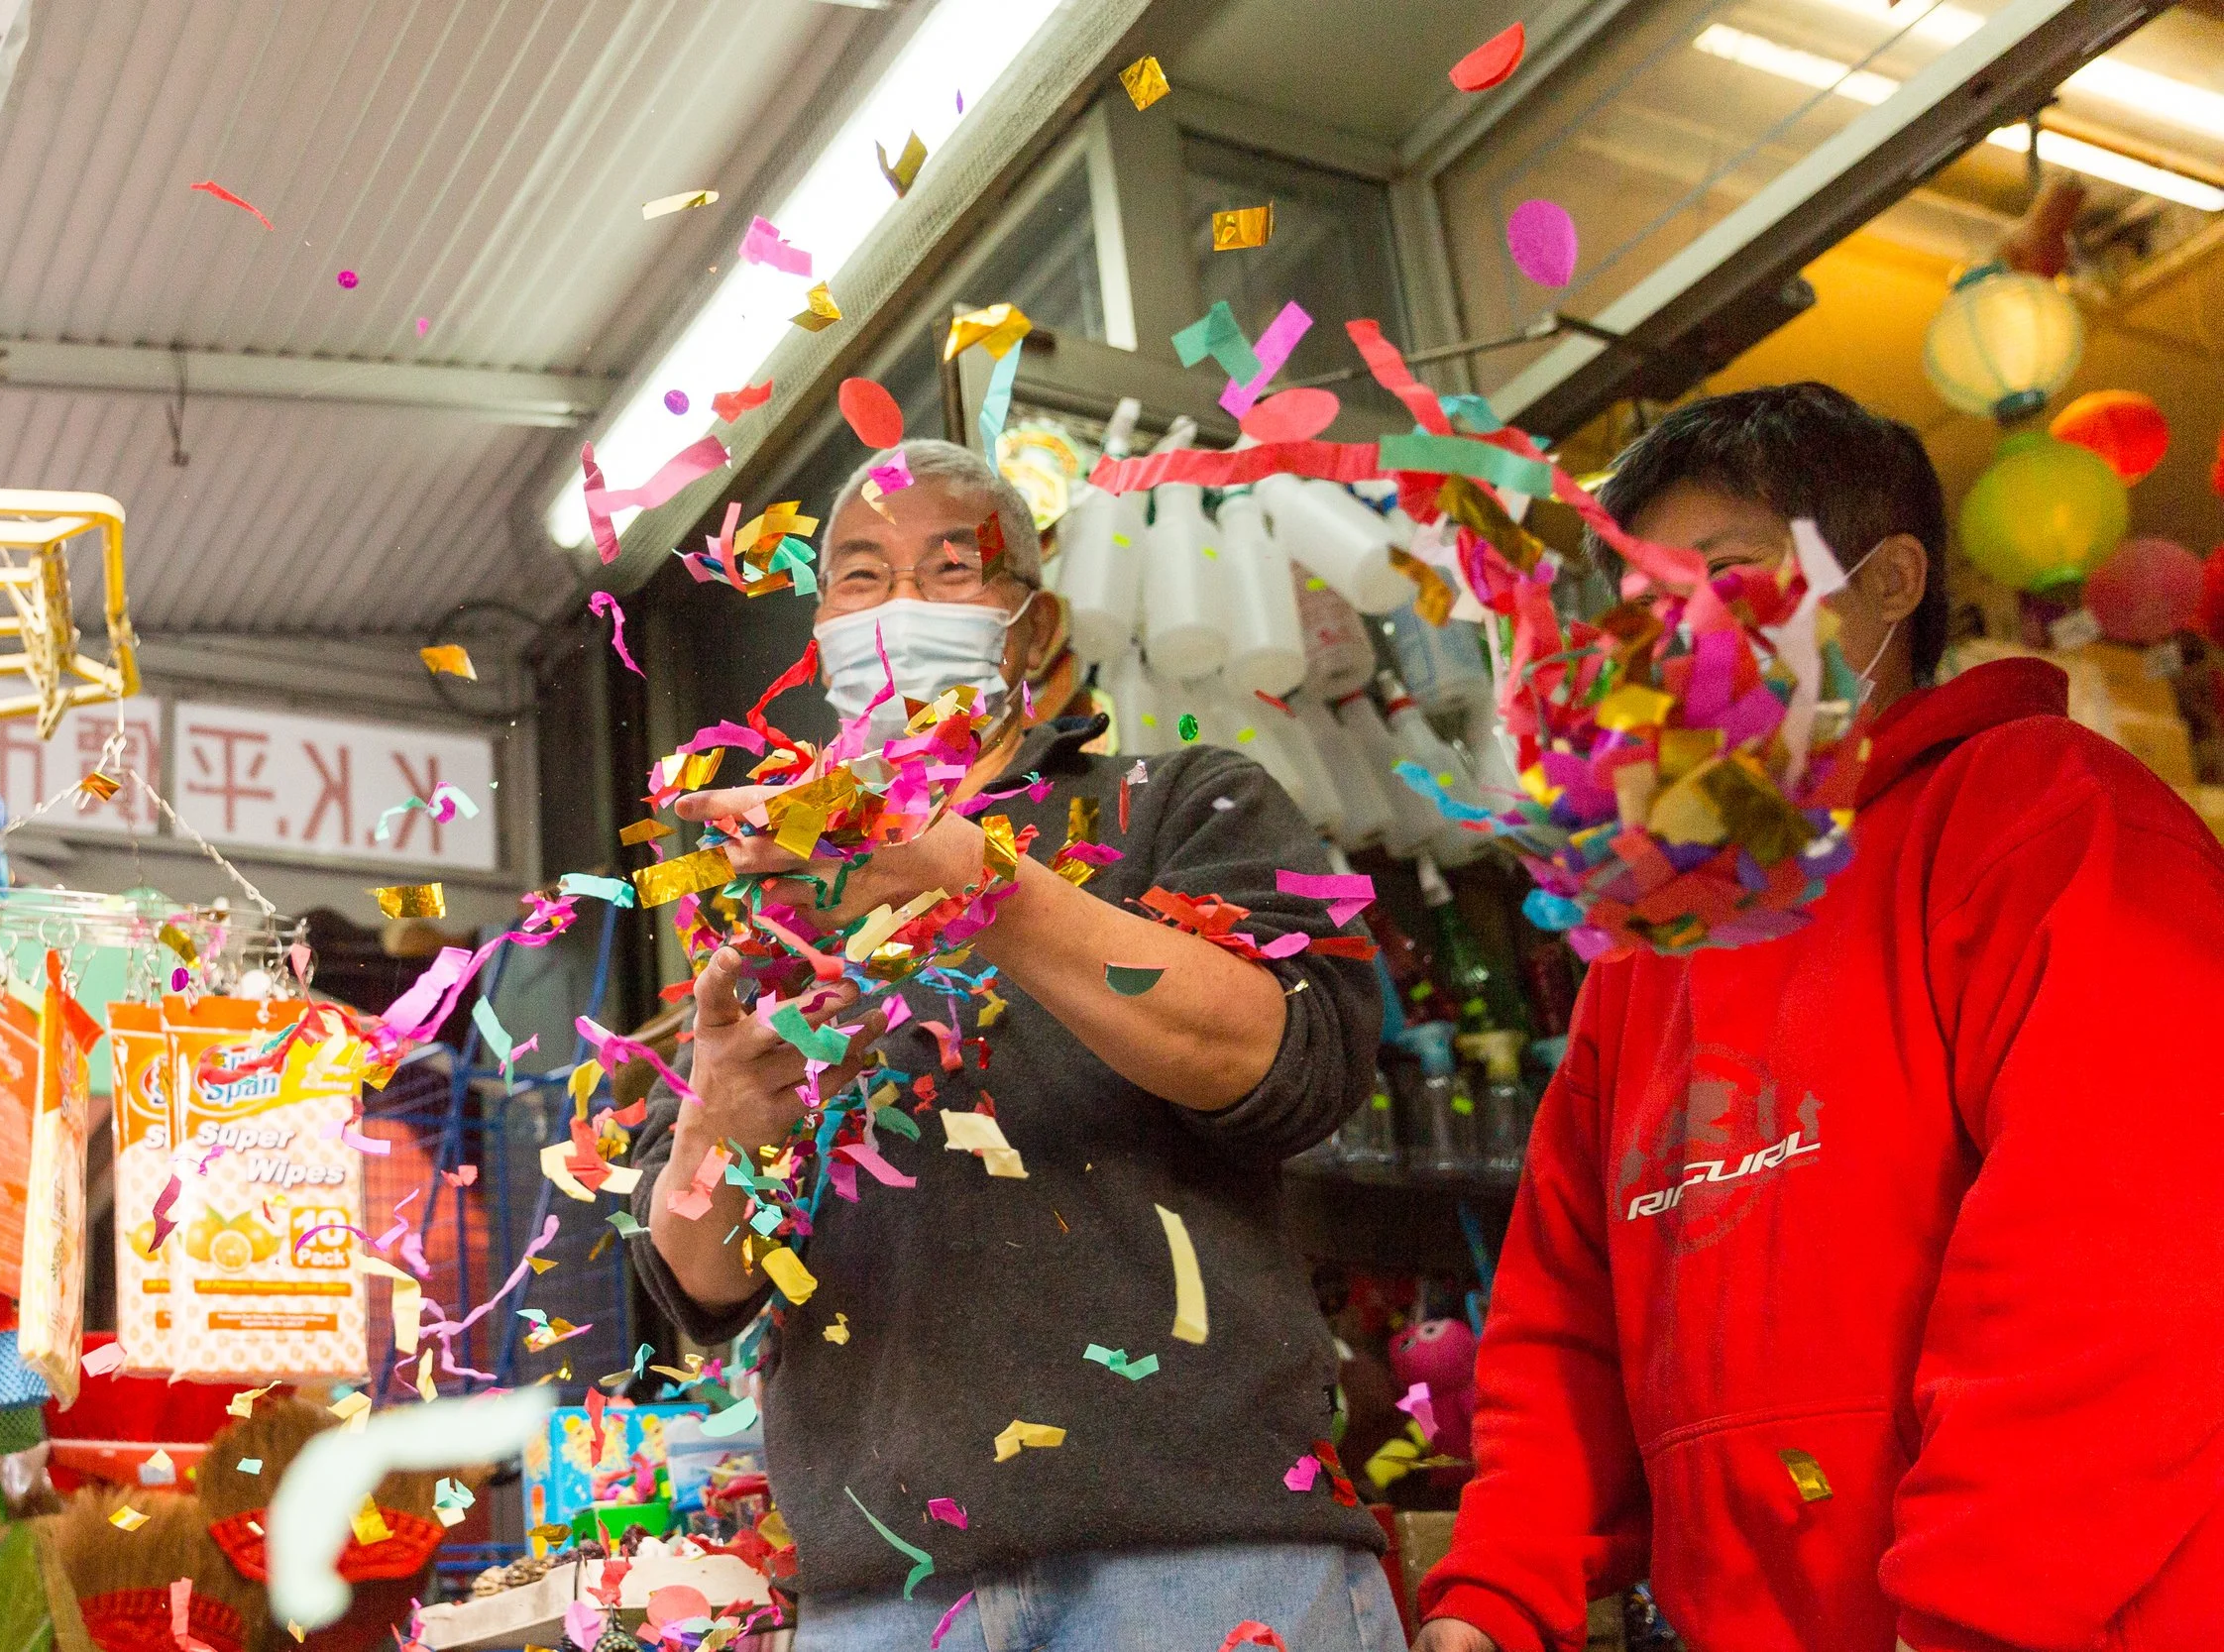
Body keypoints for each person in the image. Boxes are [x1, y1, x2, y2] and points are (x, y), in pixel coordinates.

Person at [1413, 385, 2224, 1652]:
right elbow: (1562, 1314)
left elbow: (2127, 1241)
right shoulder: (1655, 933)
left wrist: (1979, 1610)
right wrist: (1494, 1593)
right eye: (1637, 605)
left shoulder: (2046, 815)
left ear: (1888, 580)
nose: (1669, 637)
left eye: (1724, 575)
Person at [628, 440, 1405, 1651]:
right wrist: (713, 1120)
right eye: (861, 578)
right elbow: (701, 1282)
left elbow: (1285, 1059)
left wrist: (976, 880)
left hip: (1201, 1564)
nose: (899, 611)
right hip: (885, 1597)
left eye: (951, 570)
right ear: (818, 616)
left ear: (1030, 624)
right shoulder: (772, 899)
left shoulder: (1167, 803)